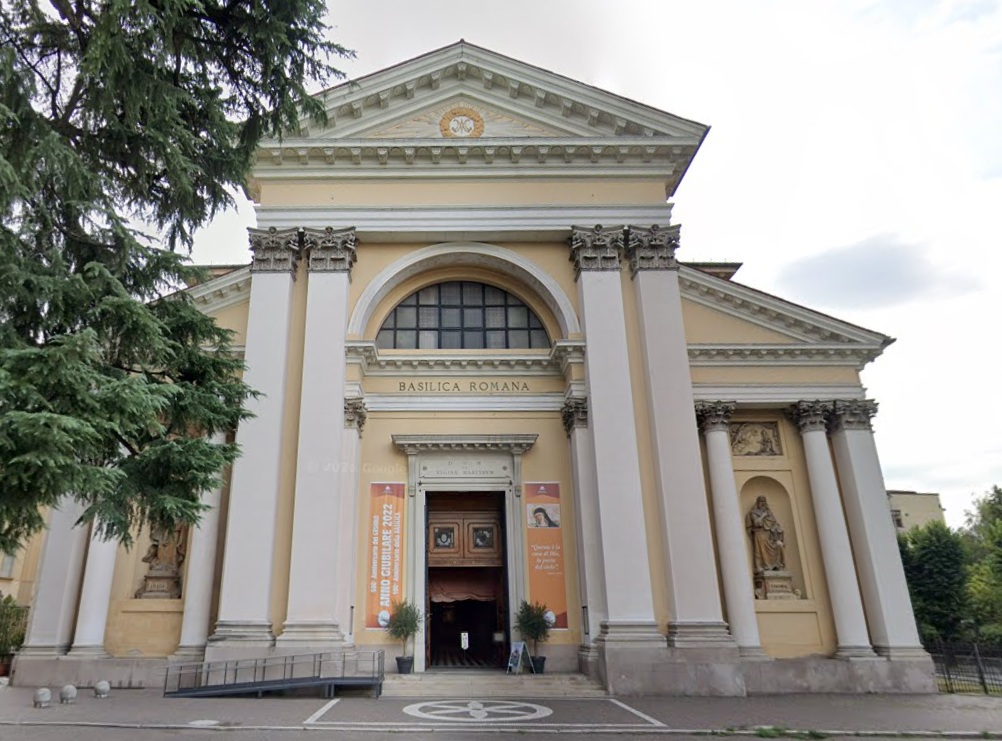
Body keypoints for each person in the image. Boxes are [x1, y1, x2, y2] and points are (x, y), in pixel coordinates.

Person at [746, 496, 785, 572]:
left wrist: (777, 528)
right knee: (761, 551)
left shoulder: (769, 513)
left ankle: (776, 565)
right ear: (757, 503)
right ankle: (762, 566)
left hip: (769, 535)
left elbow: (774, 523)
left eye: (764, 502)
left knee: (779, 545)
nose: (763, 504)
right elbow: (757, 523)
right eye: (761, 502)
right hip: (759, 534)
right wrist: (763, 515)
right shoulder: (753, 512)